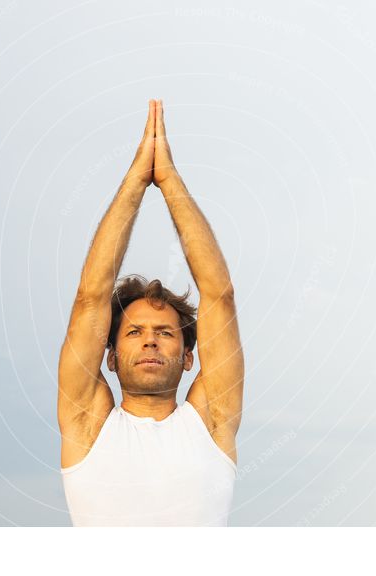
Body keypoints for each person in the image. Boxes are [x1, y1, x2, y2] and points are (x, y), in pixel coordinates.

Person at [58, 99, 244, 526]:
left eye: (165, 332)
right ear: (109, 357)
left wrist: (170, 180)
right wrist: (136, 180)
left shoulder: (210, 423)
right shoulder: (87, 424)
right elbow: (91, 297)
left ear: (188, 358)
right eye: (134, 331)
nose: (150, 339)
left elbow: (220, 297)